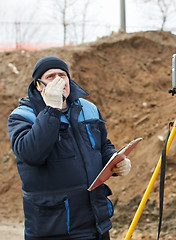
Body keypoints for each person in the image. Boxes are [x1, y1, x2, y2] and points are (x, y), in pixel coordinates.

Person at [8, 56, 131, 240]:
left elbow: (102, 144)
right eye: (50, 76)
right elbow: (31, 154)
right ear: (39, 85)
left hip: (96, 223)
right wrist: (51, 110)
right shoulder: (22, 116)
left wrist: (114, 159)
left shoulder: (88, 108)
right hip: (54, 227)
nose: (59, 80)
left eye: (62, 75)